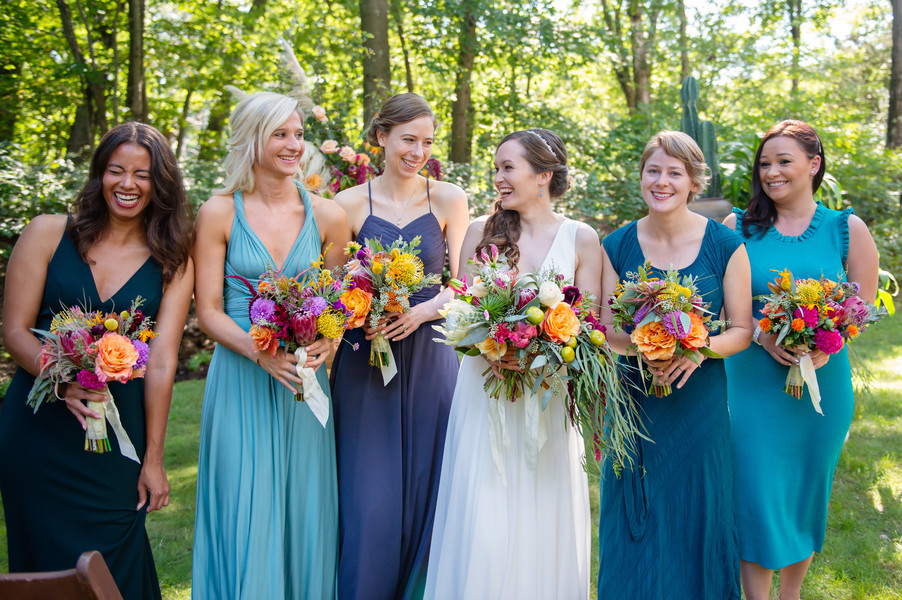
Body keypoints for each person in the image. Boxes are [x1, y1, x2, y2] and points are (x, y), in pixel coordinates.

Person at [0, 122, 194, 599]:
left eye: (143, 175)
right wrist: (63, 380)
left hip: (117, 438)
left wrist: (153, 458)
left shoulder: (173, 259)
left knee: (116, 559)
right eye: (116, 170)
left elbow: (164, 361)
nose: (127, 184)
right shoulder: (48, 232)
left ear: (160, 184)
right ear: (99, 175)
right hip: (37, 429)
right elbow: (14, 331)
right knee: (42, 563)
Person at [424, 129, 601, 599]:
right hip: (484, 394)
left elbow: (592, 328)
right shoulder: (482, 232)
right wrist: (492, 347)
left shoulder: (581, 238)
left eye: (508, 168)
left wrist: (541, 351)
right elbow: (459, 314)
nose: (497, 177)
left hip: (548, 397)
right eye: (496, 167)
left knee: (543, 513)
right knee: (483, 518)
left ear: (543, 175)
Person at [191, 91, 351, 599]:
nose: (293, 145)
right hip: (241, 375)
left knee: (305, 504)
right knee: (243, 502)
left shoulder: (329, 217)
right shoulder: (218, 213)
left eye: (298, 134)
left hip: (305, 383)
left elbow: (339, 302)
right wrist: (256, 351)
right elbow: (208, 310)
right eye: (280, 134)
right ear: (251, 139)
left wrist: (333, 337)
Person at [723, 120, 879, 600]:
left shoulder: (846, 229)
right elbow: (724, 305)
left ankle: (789, 595)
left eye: (783, 161)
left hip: (821, 392)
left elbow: (862, 309)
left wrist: (826, 343)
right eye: (765, 163)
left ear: (813, 165)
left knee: (804, 493)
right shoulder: (737, 227)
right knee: (754, 494)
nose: (771, 172)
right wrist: (765, 334)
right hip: (749, 385)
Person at [595, 130, 752, 599]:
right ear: (641, 177)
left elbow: (742, 329)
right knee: (633, 517)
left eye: (674, 173)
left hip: (699, 406)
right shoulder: (616, 245)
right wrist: (648, 345)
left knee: (698, 513)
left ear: (693, 182)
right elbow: (604, 328)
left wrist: (693, 350)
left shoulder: (725, 245)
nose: (662, 182)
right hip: (635, 403)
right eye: (653, 171)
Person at [329, 92, 469, 600]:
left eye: (427, 142)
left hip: (432, 353)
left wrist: (423, 311)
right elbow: (332, 291)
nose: (418, 151)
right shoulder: (346, 205)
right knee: (370, 495)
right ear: (381, 136)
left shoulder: (450, 198)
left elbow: (464, 284)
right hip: (366, 357)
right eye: (409, 139)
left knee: (432, 483)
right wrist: (361, 310)